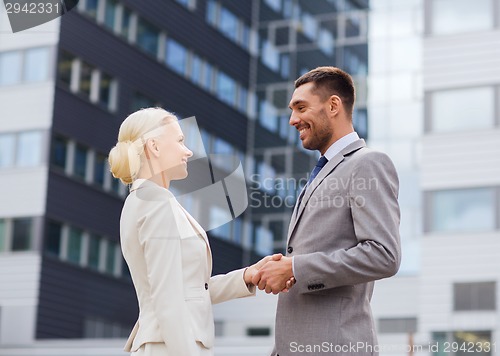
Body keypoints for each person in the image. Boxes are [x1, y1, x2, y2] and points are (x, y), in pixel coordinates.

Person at [108, 108, 283, 356]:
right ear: (154, 147)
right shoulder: (157, 203)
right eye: (180, 141)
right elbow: (167, 298)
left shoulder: (144, 200)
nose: (188, 151)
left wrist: (247, 276)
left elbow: (188, 290)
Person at [252, 67, 402, 356]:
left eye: (301, 107)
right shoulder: (322, 172)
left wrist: (295, 267)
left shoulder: (367, 164)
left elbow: (384, 255)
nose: (293, 120)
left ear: (333, 105)